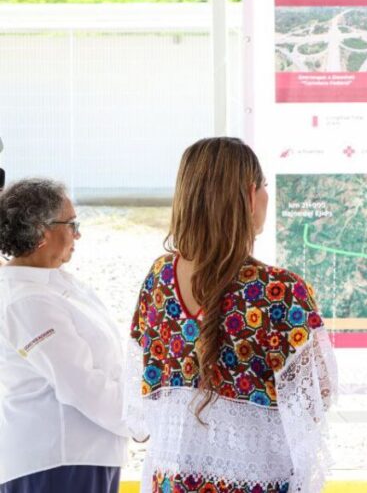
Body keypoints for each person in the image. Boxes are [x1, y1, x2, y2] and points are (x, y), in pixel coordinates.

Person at [125, 137, 337, 492]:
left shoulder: (159, 280)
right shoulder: (281, 292)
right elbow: (317, 396)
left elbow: (142, 390)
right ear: (250, 195)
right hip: (255, 483)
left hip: (172, 481)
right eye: (265, 185)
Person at [0, 178, 128, 493]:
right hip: (58, 462)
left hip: (85, 456)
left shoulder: (54, 284)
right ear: (42, 231)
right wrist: (140, 423)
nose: (78, 233)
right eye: (71, 224)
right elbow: (80, 385)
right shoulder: (27, 300)